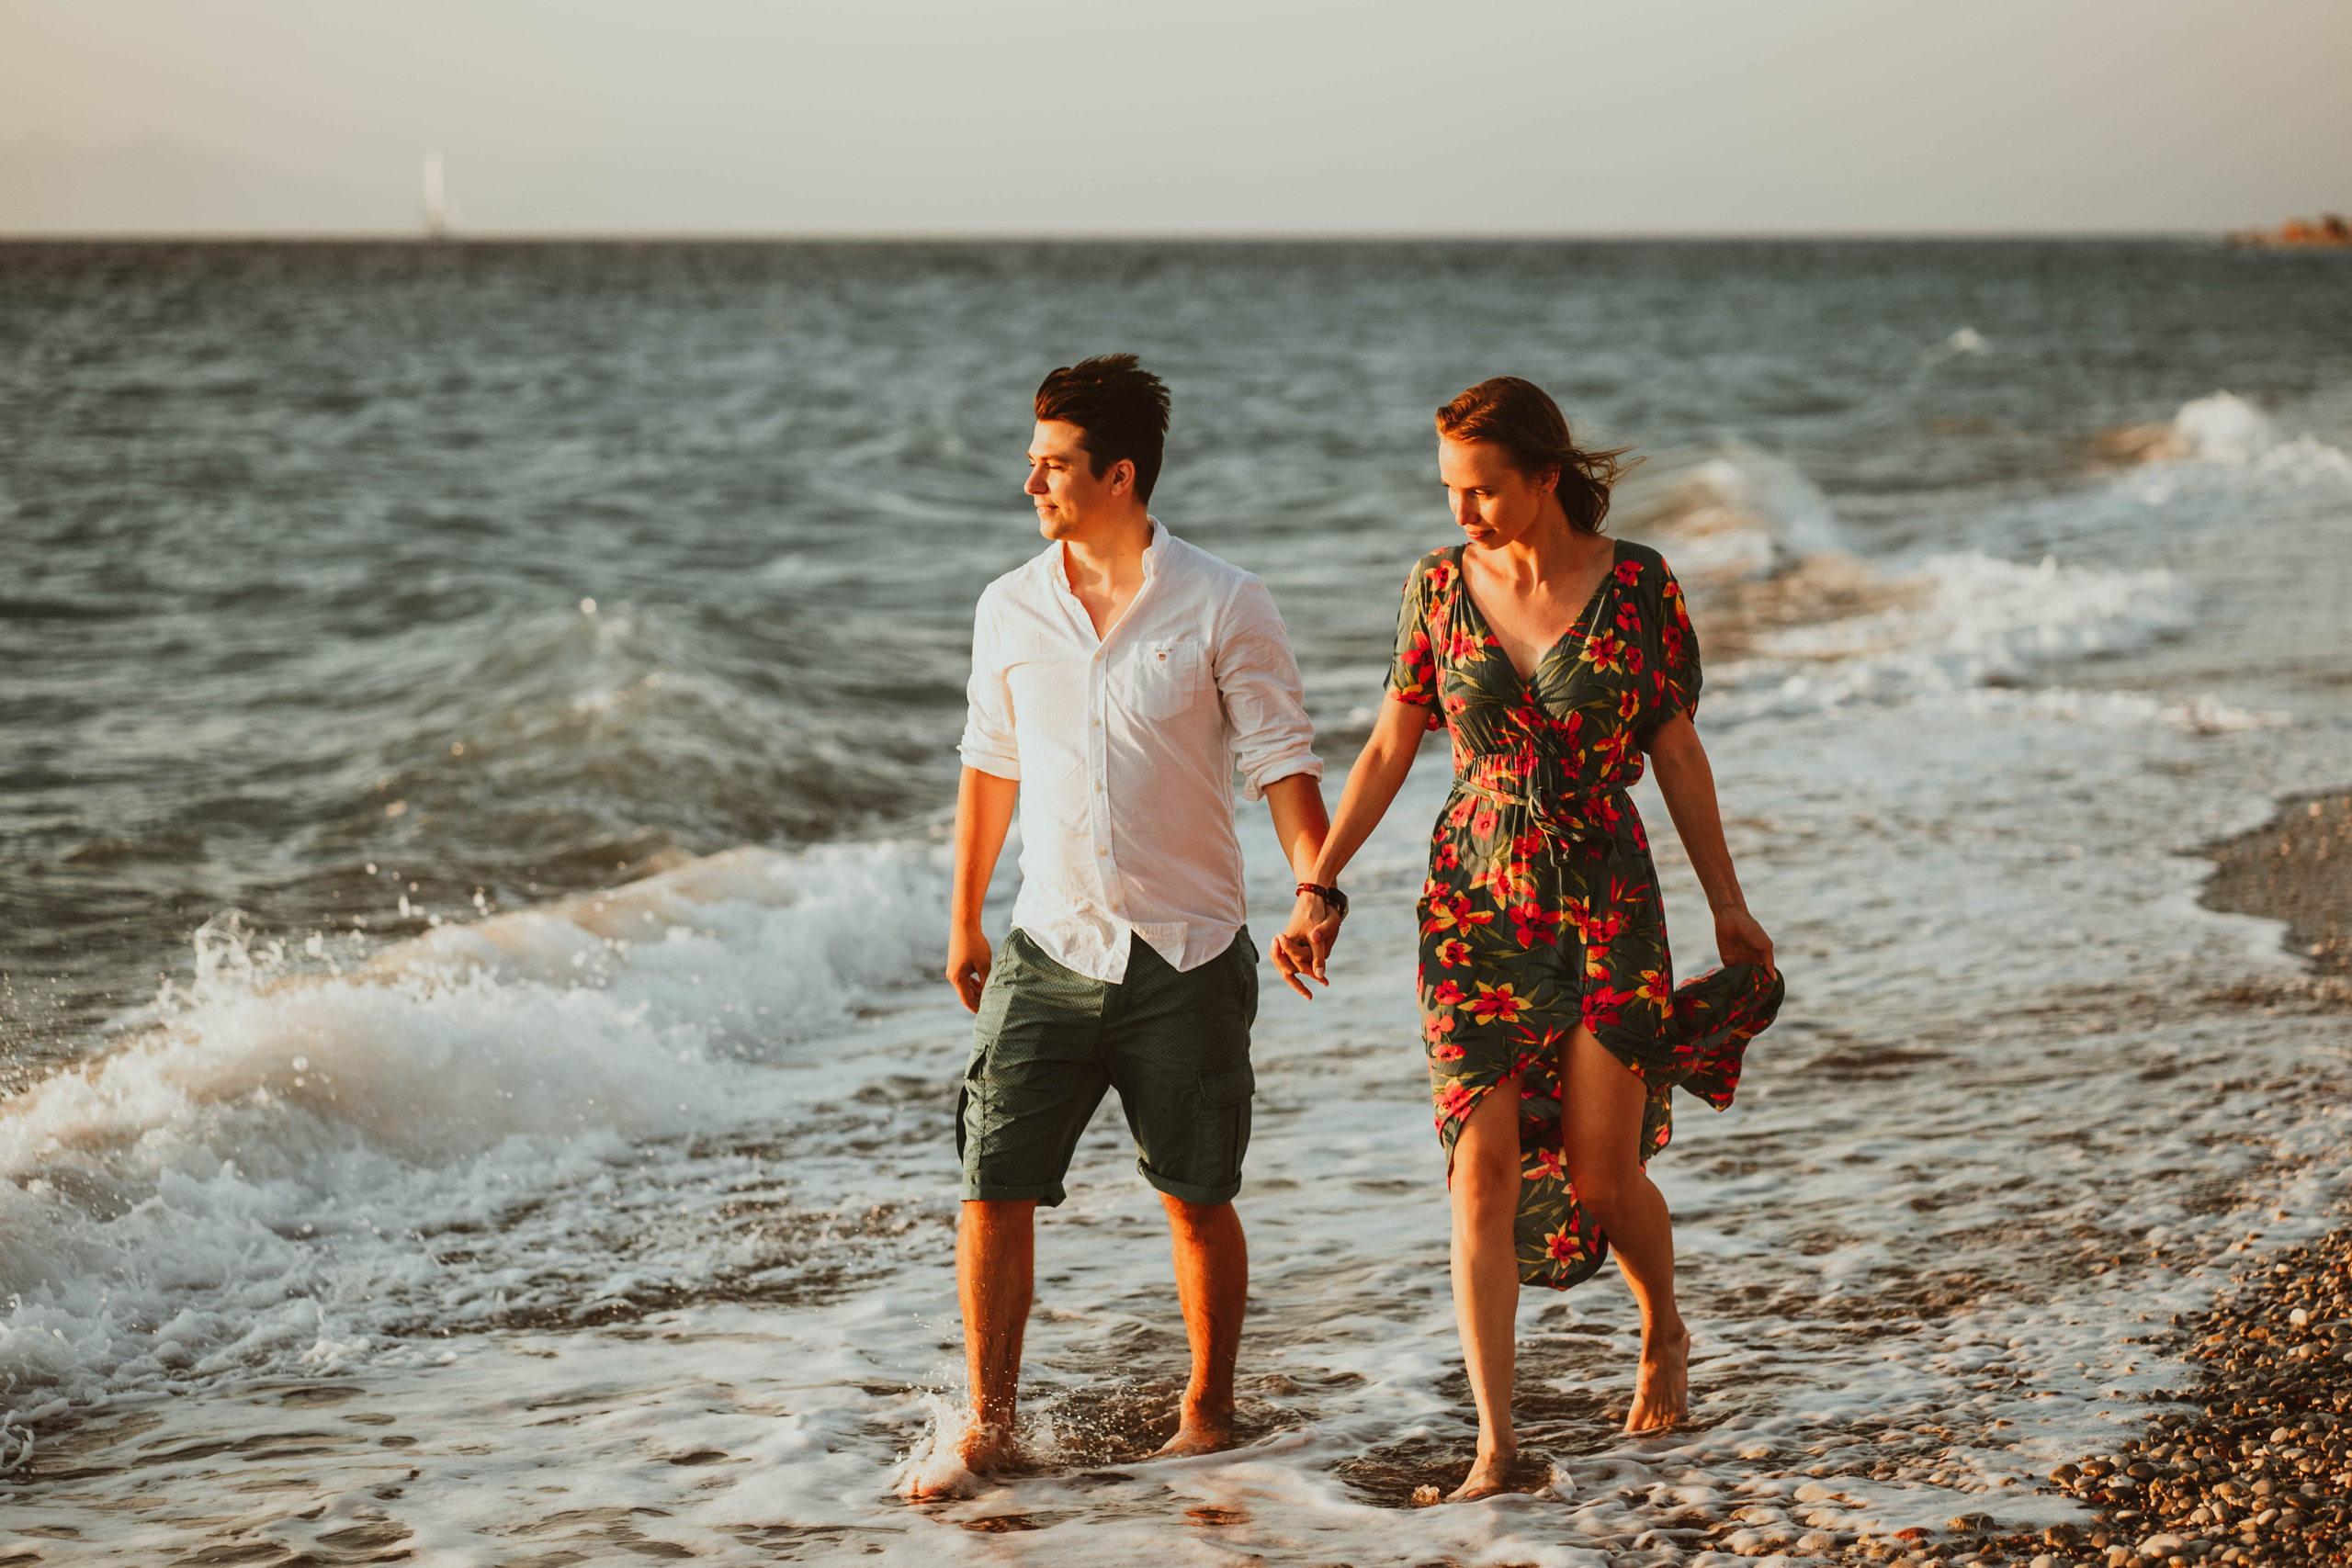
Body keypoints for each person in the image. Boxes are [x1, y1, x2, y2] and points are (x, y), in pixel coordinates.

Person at [1273, 377, 1781, 1500]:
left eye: (1483, 489)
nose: (1462, 511)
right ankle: (1495, 1446)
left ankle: (1662, 1325)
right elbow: (1384, 751)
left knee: (1603, 1177)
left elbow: (1680, 755)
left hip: (1604, 896)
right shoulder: (1436, 589)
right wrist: (1317, 884)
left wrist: (1727, 903)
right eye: (1450, 489)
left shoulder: (1639, 585)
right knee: (1479, 1176)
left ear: (1546, 478)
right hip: (1471, 903)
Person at [922, 354, 1329, 1496]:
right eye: (1033, 461)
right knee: (991, 1183)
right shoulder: (1008, 605)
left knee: (1196, 1196)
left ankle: (1207, 1409)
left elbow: (1282, 762)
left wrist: (1315, 889)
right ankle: (987, 1426)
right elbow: (988, 766)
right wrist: (965, 920)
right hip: (1047, 948)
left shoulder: (1224, 601)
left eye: (1052, 465)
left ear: (1120, 474)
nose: (1031, 483)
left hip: (1188, 956)